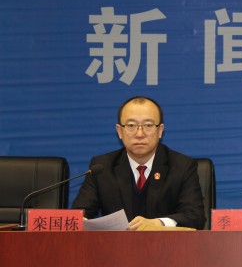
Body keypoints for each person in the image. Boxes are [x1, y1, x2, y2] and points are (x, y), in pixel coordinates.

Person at [72, 96, 206, 230]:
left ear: (160, 131)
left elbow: (195, 217)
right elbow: (78, 215)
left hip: (164, 243)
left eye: (148, 125)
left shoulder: (182, 166)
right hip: (116, 243)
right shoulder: (102, 167)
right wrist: (82, 221)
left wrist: (159, 223)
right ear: (119, 131)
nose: (140, 134)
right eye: (131, 126)